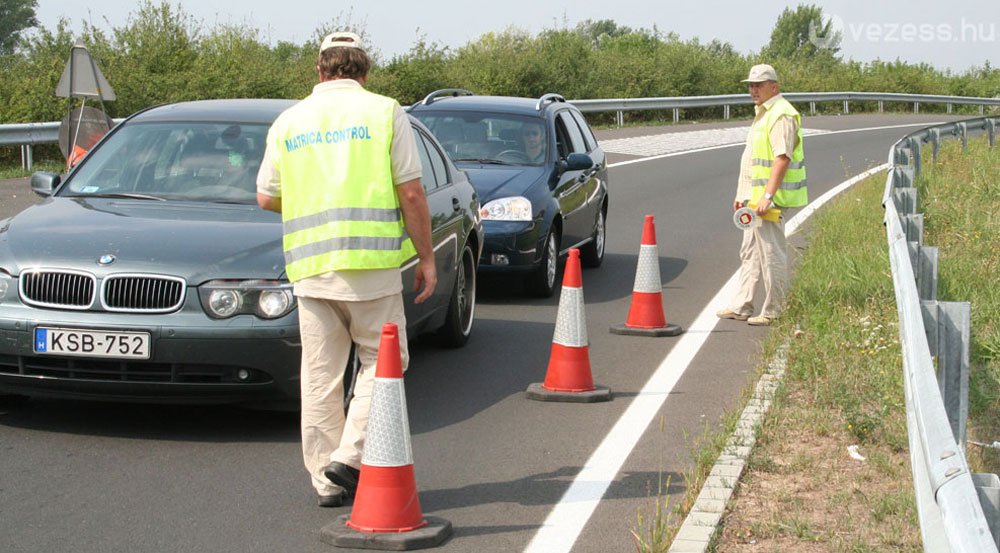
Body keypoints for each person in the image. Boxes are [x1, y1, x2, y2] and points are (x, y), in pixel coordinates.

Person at [256, 31, 436, 508]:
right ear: (365, 71)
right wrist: (427, 257)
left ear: (318, 70)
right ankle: (351, 458)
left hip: (311, 267)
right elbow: (412, 193)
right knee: (385, 362)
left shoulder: (289, 121)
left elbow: (266, 196)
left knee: (320, 377)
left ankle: (325, 481)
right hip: (370, 266)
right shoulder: (384, 111)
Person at [717, 64, 808, 326]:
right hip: (754, 200)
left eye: (759, 84)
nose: (753, 89)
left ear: (774, 87)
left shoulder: (781, 115)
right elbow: (752, 158)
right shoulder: (763, 113)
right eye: (751, 85)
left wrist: (768, 195)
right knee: (750, 252)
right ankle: (742, 305)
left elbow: (782, 158)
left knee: (770, 253)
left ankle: (774, 309)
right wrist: (742, 193)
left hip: (770, 200)